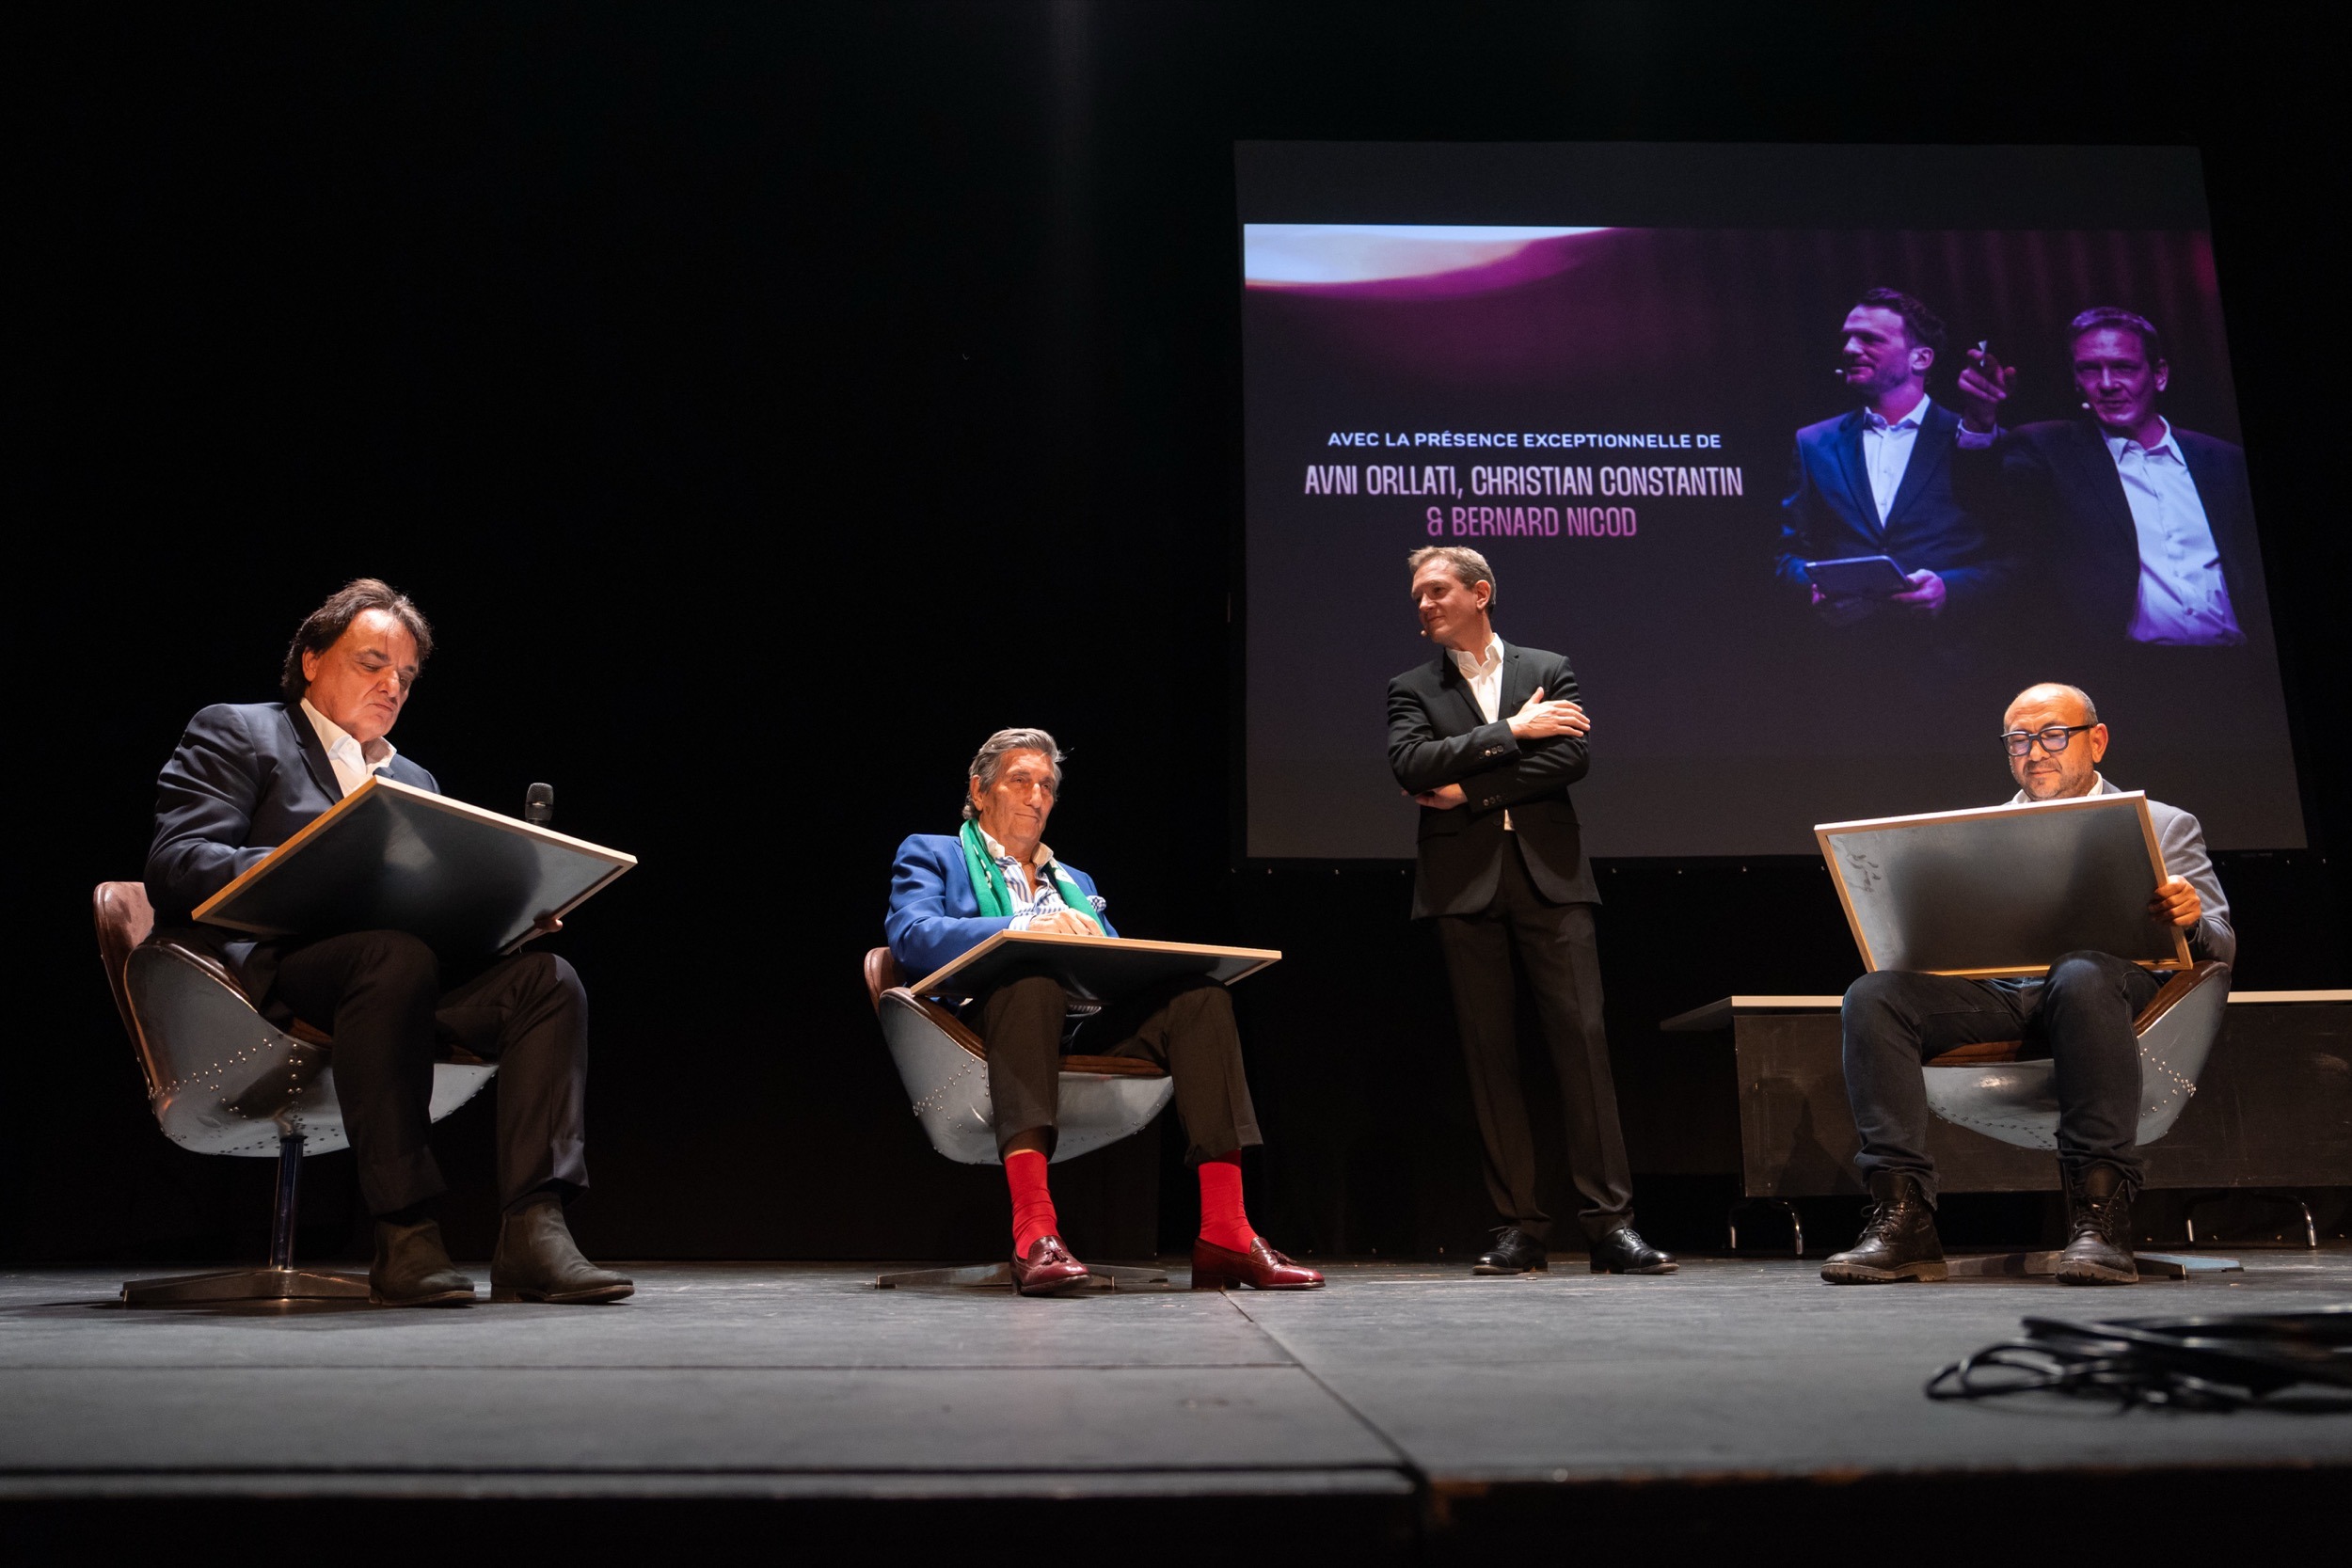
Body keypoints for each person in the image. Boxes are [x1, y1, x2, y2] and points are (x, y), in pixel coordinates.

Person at [145, 579, 632, 1307]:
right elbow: (177, 862)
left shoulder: (412, 779)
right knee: (392, 956)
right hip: (280, 973)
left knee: (547, 981)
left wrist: (508, 917)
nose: (392, 685)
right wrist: (312, 860)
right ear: (311, 660)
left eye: (405, 674)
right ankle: (406, 1230)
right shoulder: (241, 731)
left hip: (403, 973)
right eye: (372, 663)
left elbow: (432, 908)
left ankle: (536, 1228)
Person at [1820, 682, 2233, 1288]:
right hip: (2009, 995)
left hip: (2113, 997)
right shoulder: (1984, 832)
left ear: (2096, 741)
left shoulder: (2164, 824)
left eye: (2052, 735)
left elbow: (2222, 943)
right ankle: (1904, 1219)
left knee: (2080, 972)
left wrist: (2191, 920)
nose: (2035, 752)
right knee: (1874, 995)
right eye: (2018, 740)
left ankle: (2101, 1217)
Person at [885, 728, 1323, 1296]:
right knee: (1031, 982)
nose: (1037, 797)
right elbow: (912, 936)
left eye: (1047, 786)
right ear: (980, 789)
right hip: (977, 1034)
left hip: (1081, 1028)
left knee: (1202, 1000)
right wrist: (1024, 927)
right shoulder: (932, 852)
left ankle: (1226, 1232)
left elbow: (1113, 964)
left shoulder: (1075, 881)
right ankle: (1034, 1233)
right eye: (1021, 781)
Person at [1386, 546, 1675, 1277]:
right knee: (1490, 1055)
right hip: (1463, 886)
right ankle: (1520, 1227)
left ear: (1481, 592)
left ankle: (1611, 1225)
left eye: (1437, 590)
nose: (1424, 604)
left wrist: (1471, 789)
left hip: (1552, 879)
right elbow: (1413, 765)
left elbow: (1571, 759)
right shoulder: (1411, 687)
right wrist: (1515, 732)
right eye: (1418, 595)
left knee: (1583, 1044)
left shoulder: (1547, 667)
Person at [1954, 307, 2269, 651]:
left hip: (2237, 659)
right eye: (2089, 369)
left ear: (2159, 375)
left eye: (2123, 367)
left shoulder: (2223, 461)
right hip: (2127, 666)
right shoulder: (2048, 449)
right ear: (2076, 380)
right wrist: (1979, 420)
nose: (2106, 384)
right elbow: (1983, 505)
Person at [1775, 288, 2011, 627]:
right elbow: (1790, 554)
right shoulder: (1813, 442)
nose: (1849, 349)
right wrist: (1816, 587)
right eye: (1847, 338)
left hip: (1947, 649)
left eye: (1870, 339)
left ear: (1921, 358)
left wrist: (1949, 590)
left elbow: (2015, 556)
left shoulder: (1976, 439)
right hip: (1847, 649)